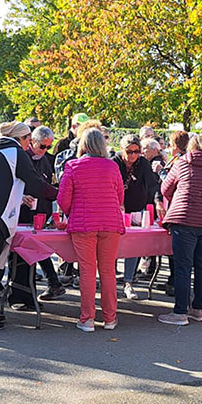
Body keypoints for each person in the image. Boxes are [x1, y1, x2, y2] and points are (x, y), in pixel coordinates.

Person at [0, 121, 57, 332]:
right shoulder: (14, 152)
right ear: (22, 138)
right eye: (28, 140)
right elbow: (35, 184)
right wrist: (59, 193)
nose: (29, 145)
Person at [157, 134, 202, 326]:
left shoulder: (181, 164)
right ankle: (198, 309)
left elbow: (165, 189)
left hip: (185, 219)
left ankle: (180, 312)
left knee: (183, 267)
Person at [59, 127, 125, 331]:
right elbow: (120, 196)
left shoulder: (72, 166)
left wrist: (72, 211)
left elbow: (63, 200)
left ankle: (87, 318)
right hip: (110, 223)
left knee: (87, 271)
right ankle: (110, 318)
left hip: (83, 224)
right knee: (108, 272)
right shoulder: (112, 166)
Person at [10, 125, 66, 306]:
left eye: (49, 147)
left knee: (38, 251)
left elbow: (46, 184)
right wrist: (22, 196)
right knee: (21, 256)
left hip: (40, 213)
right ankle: (19, 294)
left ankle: (37, 290)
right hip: (21, 213)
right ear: (31, 141)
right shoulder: (22, 158)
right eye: (42, 146)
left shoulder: (45, 160)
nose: (45, 151)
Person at [113, 134, 156, 299]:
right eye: (129, 152)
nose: (132, 156)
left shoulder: (143, 163)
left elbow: (152, 185)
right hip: (116, 208)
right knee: (113, 246)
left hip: (136, 208)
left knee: (133, 247)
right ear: (122, 150)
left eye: (136, 151)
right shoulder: (114, 162)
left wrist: (156, 203)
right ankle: (110, 280)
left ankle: (128, 281)